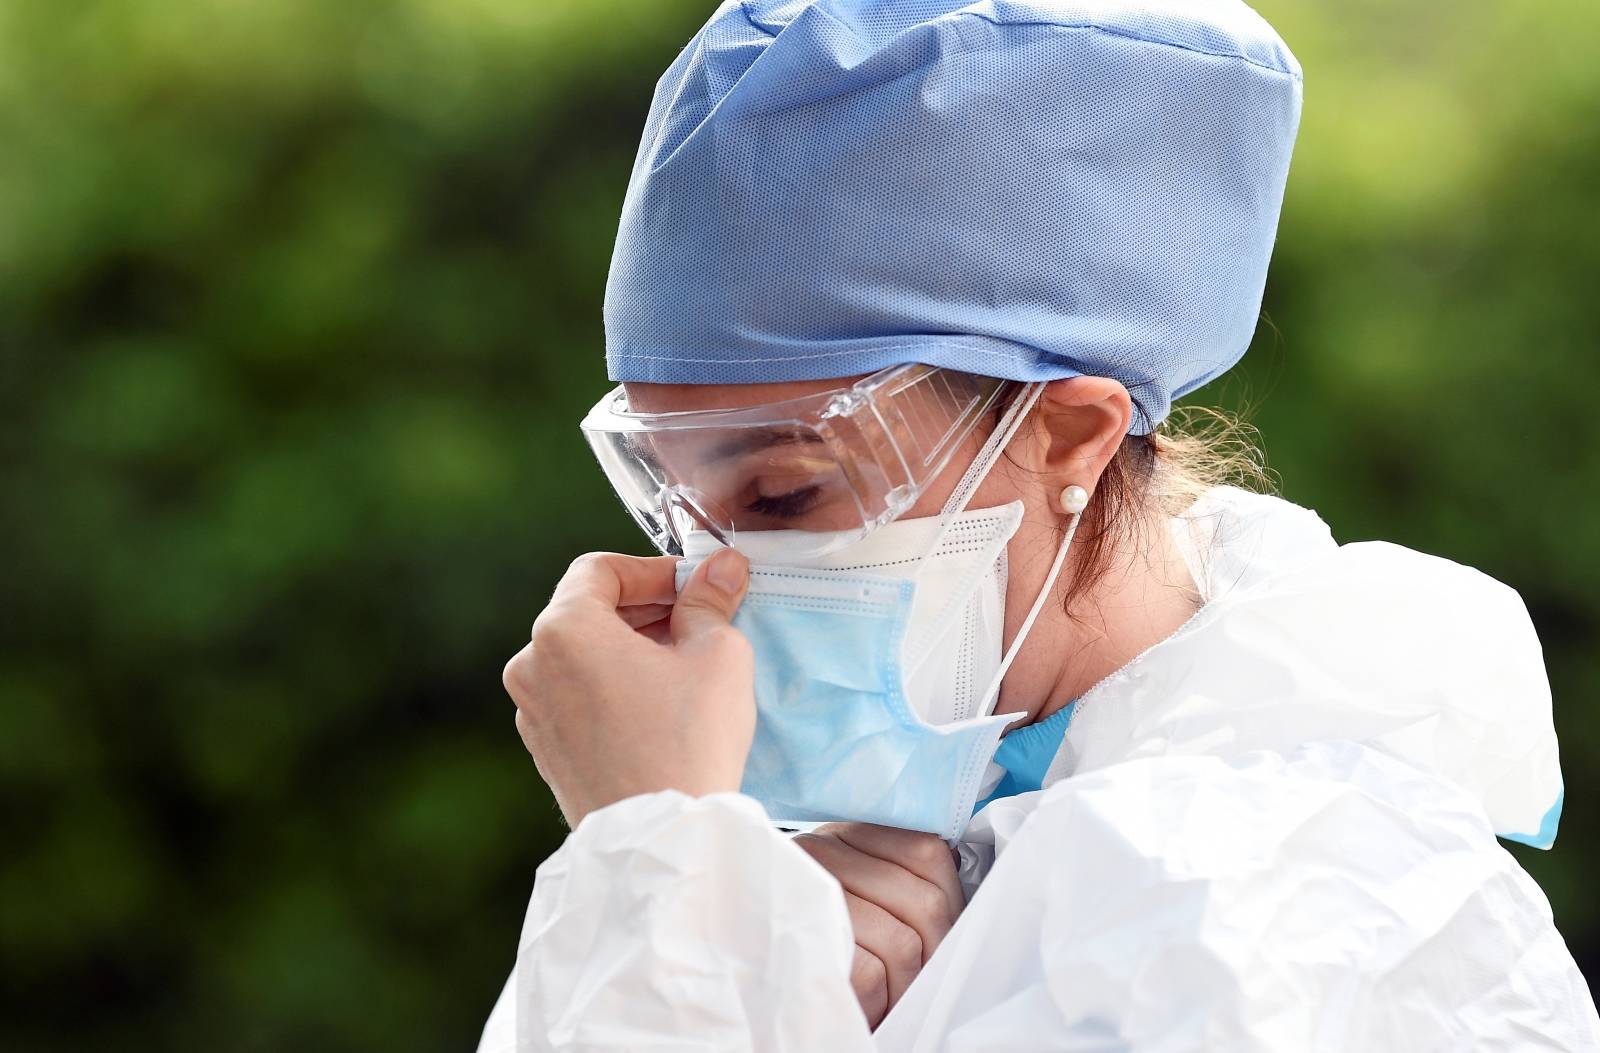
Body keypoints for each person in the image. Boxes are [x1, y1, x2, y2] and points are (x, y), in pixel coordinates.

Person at [479, 0, 1599, 1048]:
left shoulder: (1285, 911)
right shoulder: (856, 844)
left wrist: (658, 873)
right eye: (675, 504)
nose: (719, 578)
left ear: (1069, 435)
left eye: (783, 494)